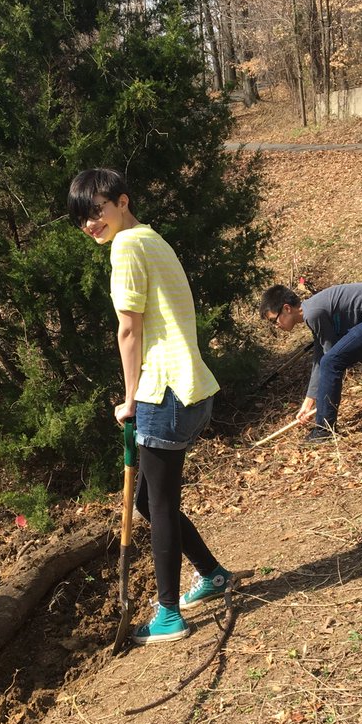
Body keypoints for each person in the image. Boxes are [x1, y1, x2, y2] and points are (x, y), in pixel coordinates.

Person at [67, 169, 234, 645]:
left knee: (158, 504)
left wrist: (130, 397)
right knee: (147, 499)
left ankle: (167, 613)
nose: (90, 224)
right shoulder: (153, 239)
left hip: (164, 391)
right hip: (193, 387)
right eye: (82, 218)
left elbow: (129, 330)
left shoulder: (126, 247)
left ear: (122, 200)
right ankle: (212, 573)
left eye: (96, 211)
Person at [259, 283, 362, 441]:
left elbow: (330, 361)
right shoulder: (312, 311)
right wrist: (308, 401)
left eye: (274, 320)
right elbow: (320, 358)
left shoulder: (313, 313)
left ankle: (324, 429)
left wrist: (317, 401)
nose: (276, 326)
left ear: (287, 308)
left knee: (332, 362)